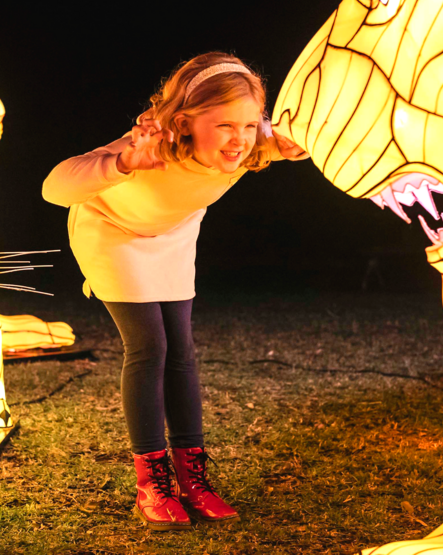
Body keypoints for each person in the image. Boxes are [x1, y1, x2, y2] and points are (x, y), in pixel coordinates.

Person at [42, 52, 309, 531]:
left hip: (172, 234)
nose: (240, 138)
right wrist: (125, 160)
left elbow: (293, 137)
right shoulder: (153, 145)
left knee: (181, 352)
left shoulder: (250, 146)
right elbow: (54, 187)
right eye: (225, 124)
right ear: (185, 121)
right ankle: (153, 482)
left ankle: (194, 478)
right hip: (112, 230)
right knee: (150, 348)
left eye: (250, 125)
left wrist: (290, 144)